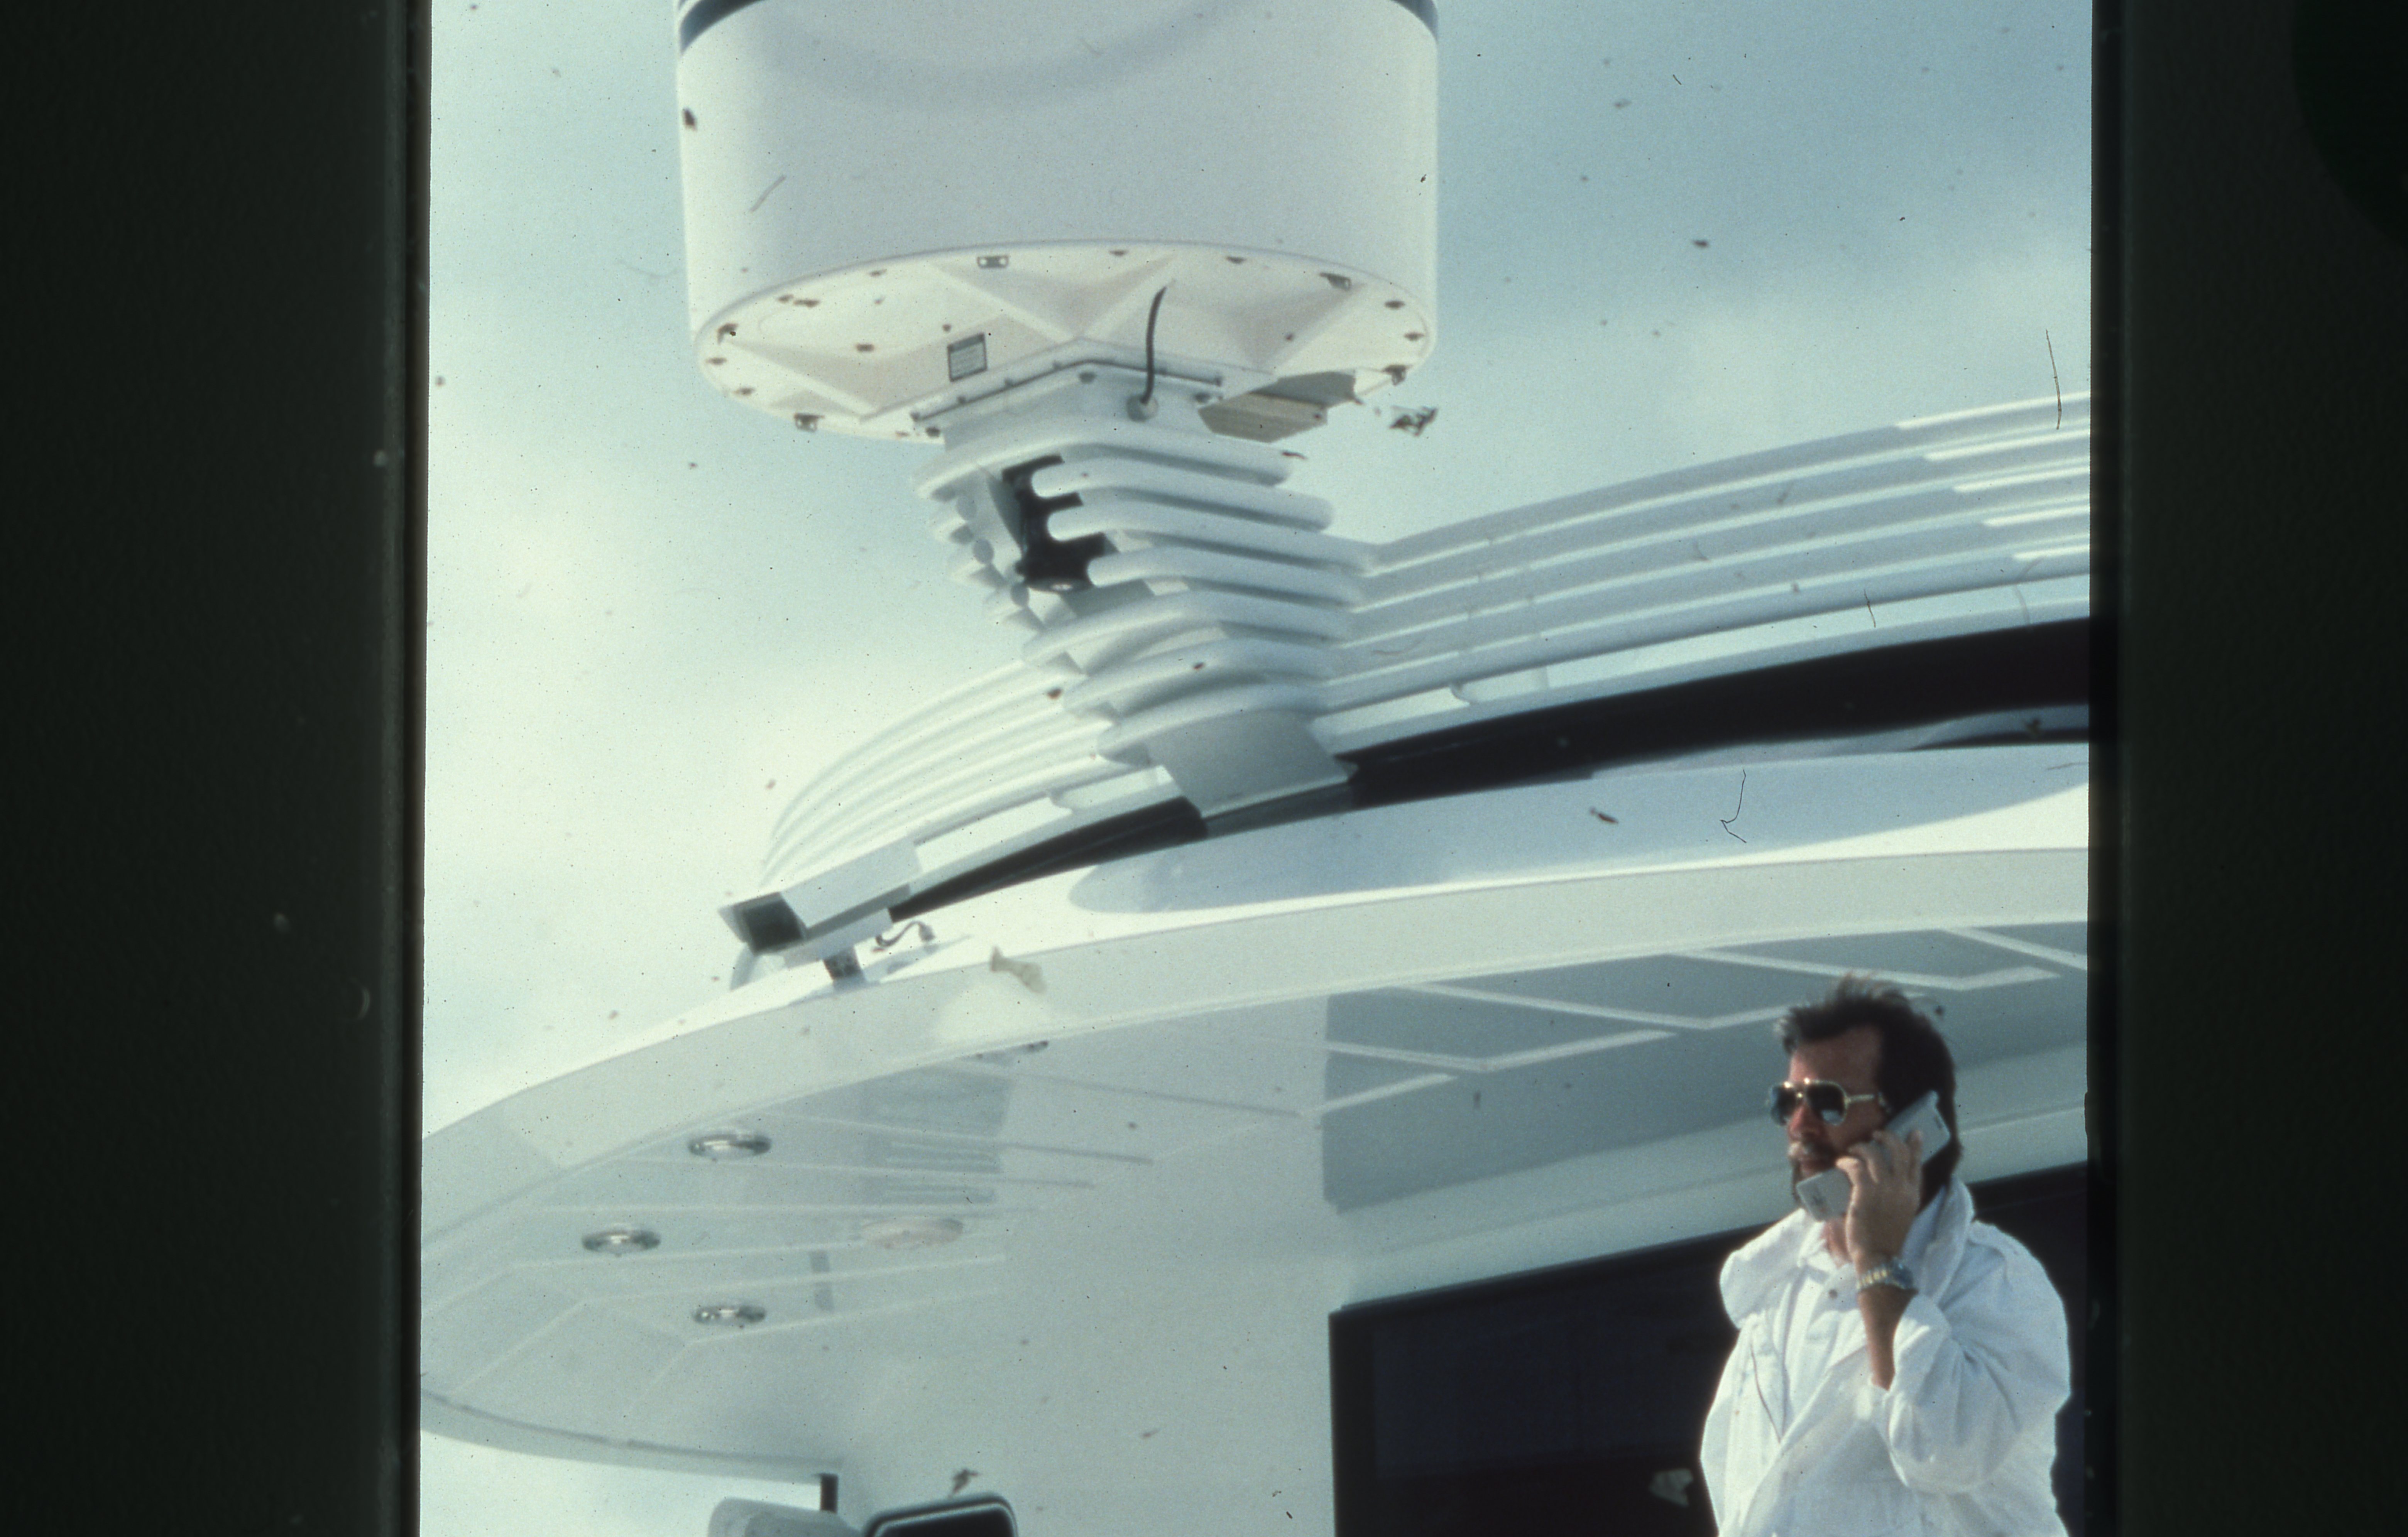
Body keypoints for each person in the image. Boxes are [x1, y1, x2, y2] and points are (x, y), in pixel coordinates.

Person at [1699, 976, 2071, 1537]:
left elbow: (1944, 1452)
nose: (1799, 1125)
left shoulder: (1996, 1281)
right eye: (1787, 1102)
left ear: (1913, 1126)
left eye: (1827, 1102)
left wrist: (1876, 1261)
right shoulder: (1777, 1289)